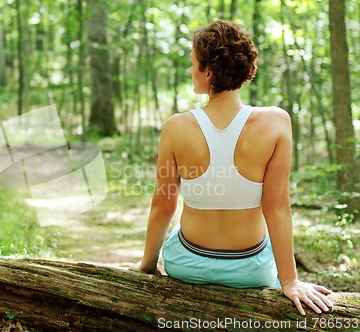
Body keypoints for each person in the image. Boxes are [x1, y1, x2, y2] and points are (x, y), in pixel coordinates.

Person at [130, 20, 333, 316]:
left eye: (193, 64)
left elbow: (163, 204)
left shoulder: (176, 127)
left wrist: (147, 265)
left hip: (186, 265)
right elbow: (277, 207)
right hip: (251, 271)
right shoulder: (276, 122)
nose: (190, 70)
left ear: (208, 72)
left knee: (178, 228)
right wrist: (289, 281)